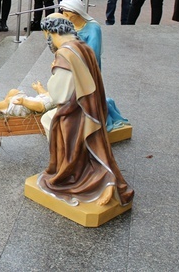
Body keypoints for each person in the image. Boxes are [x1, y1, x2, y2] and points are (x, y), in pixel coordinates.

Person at [37, 14, 134, 207]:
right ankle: (105, 180)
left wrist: (51, 77)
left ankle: (73, 176)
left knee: (53, 124)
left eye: (46, 35)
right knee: (94, 149)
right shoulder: (82, 46)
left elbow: (59, 95)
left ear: (50, 32)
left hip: (76, 113)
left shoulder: (65, 54)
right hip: (92, 109)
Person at [58, 0, 102, 67]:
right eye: (65, 14)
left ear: (79, 14)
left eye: (71, 16)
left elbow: (93, 53)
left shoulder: (93, 29)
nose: (67, 18)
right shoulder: (67, 25)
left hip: (85, 66)